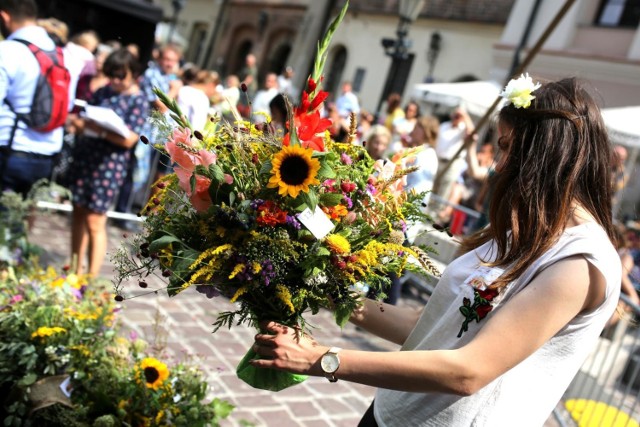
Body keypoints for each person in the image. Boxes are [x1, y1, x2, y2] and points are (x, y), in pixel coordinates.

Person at [250, 76, 622, 427]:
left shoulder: (580, 262)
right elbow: (427, 327)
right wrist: (325, 292)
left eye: (507, 146)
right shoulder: (524, 231)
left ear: (545, 151)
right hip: (393, 412)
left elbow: (468, 371)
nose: (498, 163)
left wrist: (322, 359)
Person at [66, 48, 148, 276]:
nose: (115, 80)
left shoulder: (138, 100)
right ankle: (75, 271)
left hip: (108, 166)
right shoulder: (103, 91)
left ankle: (90, 278)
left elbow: (129, 140)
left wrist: (100, 132)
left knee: (95, 220)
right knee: (78, 214)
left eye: (121, 75)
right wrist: (80, 123)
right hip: (87, 158)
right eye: (112, 74)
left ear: (134, 74)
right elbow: (84, 118)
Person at [0, 0, 67, 197]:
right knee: (19, 219)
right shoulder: (62, 54)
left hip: (9, 153)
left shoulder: (8, 50)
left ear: (4, 16)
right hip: (46, 156)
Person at [433, 107, 475, 201]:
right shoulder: (444, 125)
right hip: (438, 160)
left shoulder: (463, 128)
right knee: (432, 186)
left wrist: (465, 116)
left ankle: (436, 211)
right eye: (456, 115)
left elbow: (473, 133)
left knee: (444, 190)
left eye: (459, 116)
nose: (457, 117)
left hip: (452, 163)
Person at [176, 66, 217, 131]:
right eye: (215, 89)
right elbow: (197, 126)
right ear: (211, 85)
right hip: (181, 134)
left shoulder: (184, 89)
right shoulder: (202, 98)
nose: (214, 93)